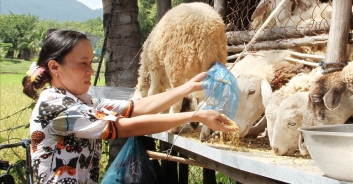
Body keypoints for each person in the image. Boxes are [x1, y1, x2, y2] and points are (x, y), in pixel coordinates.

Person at [22, 29, 237, 184]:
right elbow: (125, 126)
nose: (90, 70)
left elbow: (134, 108)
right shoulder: (57, 106)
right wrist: (195, 115)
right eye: (82, 64)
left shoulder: (82, 100)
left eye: (91, 63)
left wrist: (187, 87)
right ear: (54, 67)